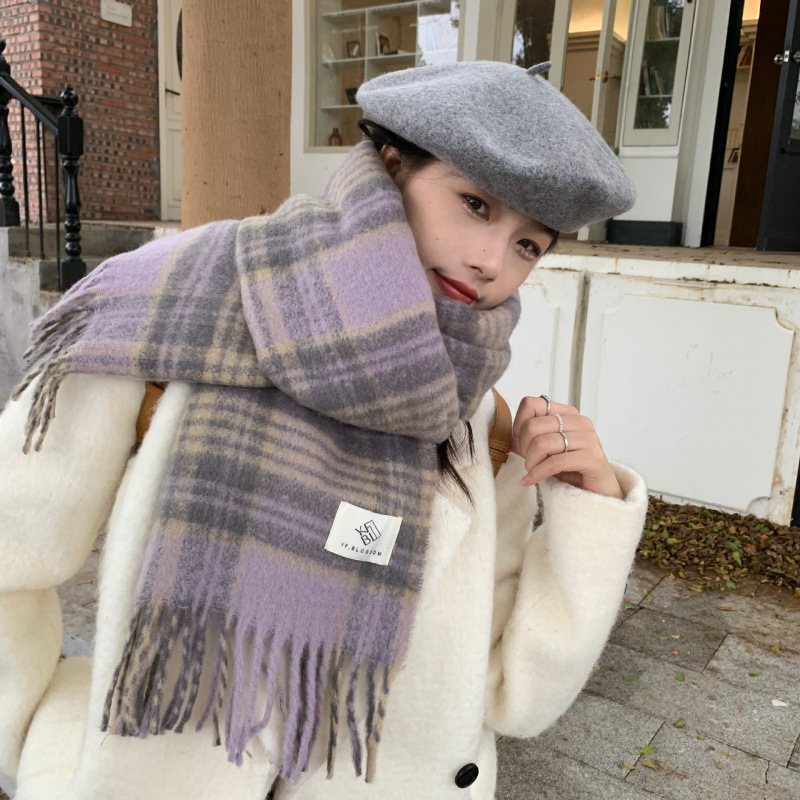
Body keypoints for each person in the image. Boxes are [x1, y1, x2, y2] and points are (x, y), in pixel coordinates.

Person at [0, 60, 648, 800]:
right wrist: (36, 740)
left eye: (530, 244)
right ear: (393, 164)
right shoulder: (172, 312)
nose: (491, 262)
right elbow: (10, 550)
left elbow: (510, 695)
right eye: (475, 204)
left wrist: (589, 513)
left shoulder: (479, 423)